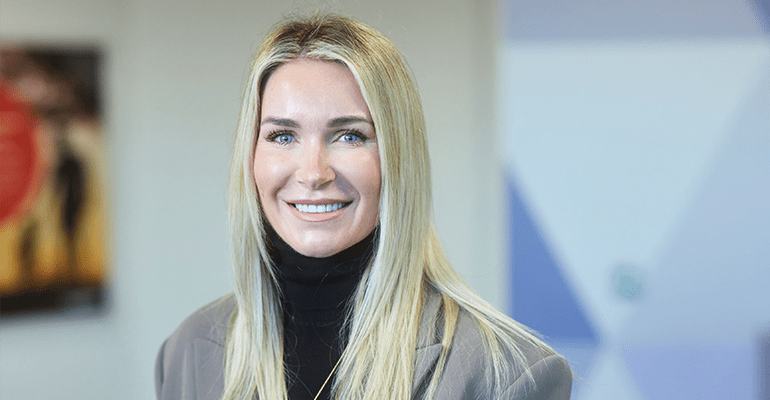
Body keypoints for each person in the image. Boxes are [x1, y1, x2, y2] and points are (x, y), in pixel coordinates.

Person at [155, 13, 571, 400]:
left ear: (398, 158)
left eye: (350, 136)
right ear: (250, 157)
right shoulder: (187, 353)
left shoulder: (506, 374)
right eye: (283, 136)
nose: (313, 172)